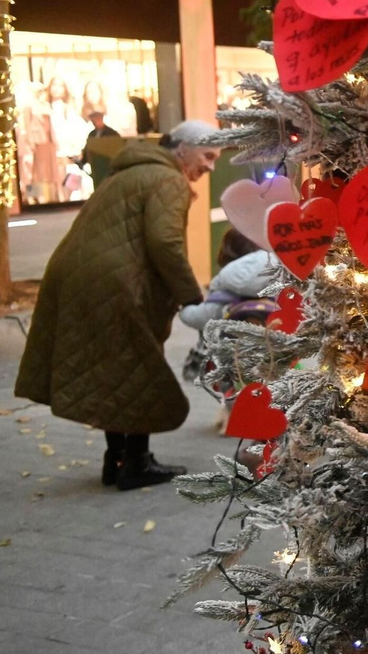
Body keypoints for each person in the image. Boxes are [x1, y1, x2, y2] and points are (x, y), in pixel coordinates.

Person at [16, 121, 220, 490]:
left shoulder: (126, 173)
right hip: (119, 283)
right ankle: (136, 463)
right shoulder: (168, 179)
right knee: (140, 367)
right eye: (207, 156)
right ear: (182, 149)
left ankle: (117, 458)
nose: (211, 166)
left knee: (117, 370)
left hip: (79, 277)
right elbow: (164, 242)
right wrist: (191, 294)